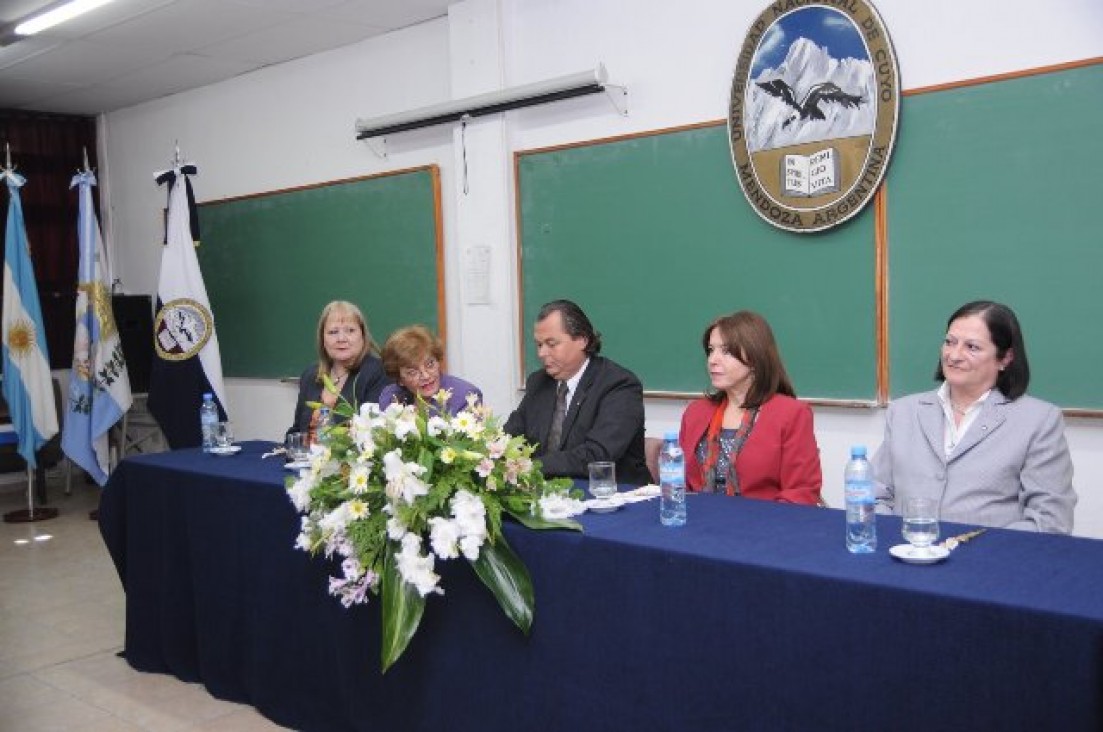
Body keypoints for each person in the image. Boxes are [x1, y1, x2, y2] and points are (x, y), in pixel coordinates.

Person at [872, 300, 1076, 533]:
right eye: (949, 342)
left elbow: (1050, 520)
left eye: (972, 347)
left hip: (990, 563)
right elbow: (874, 494)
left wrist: (980, 552)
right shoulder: (904, 412)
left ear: (1005, 358)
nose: (954, 355)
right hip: (905, 555)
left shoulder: (1039, 420)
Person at [678, 311, 822, 504]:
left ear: (754, 358)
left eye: (726, 351)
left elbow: (801, 492)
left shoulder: (791, 414)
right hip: (697, 523)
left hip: (763, 526)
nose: (713, 360)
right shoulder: (696, 412)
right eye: (711, 350)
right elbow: (679, 483)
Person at [504, 299, 650, 485]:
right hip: (551, 496)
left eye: (551, 343)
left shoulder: (619, 385)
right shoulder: (539, 382)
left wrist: (531, 466)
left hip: (614, 496)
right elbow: (512, 436)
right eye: (539, 345)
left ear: (582, 340)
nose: (542, 353)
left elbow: (597, 456)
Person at [288, 301, 390, 437]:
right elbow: (296, 432)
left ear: (363, 335)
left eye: (350, 330)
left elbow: (373, 435)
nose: (341, 338)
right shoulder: (310, 375)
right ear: (322, 339)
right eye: (333, 332)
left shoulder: (378, 372)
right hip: (307, 457)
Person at [377, 325, 481, 415]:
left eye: (430, 364)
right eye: (413, 372)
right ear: (400, 379)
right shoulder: (390, 398)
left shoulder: (465, 397)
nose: (425, 376)